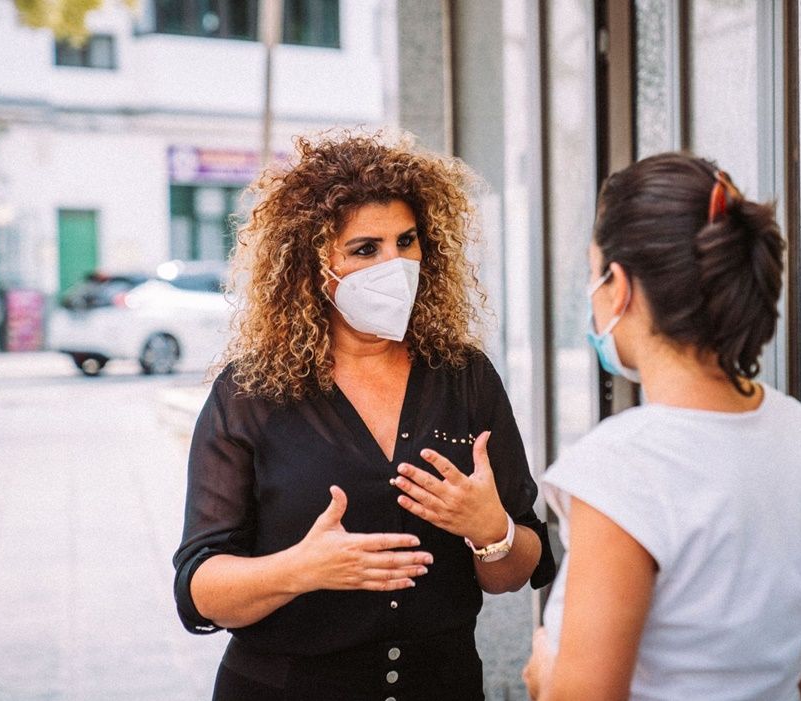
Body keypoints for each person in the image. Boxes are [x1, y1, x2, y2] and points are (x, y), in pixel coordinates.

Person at [172, 131, 555, 701]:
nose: (395, 264)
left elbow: (518, 570)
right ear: (313, 263)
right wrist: (300, 569)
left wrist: (491, 529)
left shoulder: (463, 374)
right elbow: (197, 591)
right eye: (365, 249)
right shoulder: (250, 393)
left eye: (407, 241)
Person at [523, 153, 801, 700]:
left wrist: (547, 678)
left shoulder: (623, 467)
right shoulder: (799, 432)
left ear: (620, 285)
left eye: (593, 275)